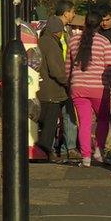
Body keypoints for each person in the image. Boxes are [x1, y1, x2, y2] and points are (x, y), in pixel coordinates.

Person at [66, 11, 111, 167]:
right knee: (103, 120)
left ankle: (86, 157)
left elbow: (67, 67)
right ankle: (98, 150)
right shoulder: (104, 42)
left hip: (78, 87)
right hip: (99, 88)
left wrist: (68, 83)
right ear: (99, 25)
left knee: (84, 123)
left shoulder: (73, 40)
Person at [36, 16, 69, 161]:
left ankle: (42, 150)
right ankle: (46, 150)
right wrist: (66, 82)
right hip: (52, 91)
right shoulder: (52, 45)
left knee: (41, 121)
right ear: (58, 31)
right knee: (49, 124)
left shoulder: (41, 42)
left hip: (41, 89)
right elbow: (56, 70)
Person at [54, 0, 82, 161]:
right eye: (72, 12)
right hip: (61, 78)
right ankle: (67, 147)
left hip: (65, 77)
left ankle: (68, 147)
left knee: (68, 113)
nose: (73, 15)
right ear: (65, 13)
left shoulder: (65, 31)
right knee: (65, 113)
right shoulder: (57, 30)